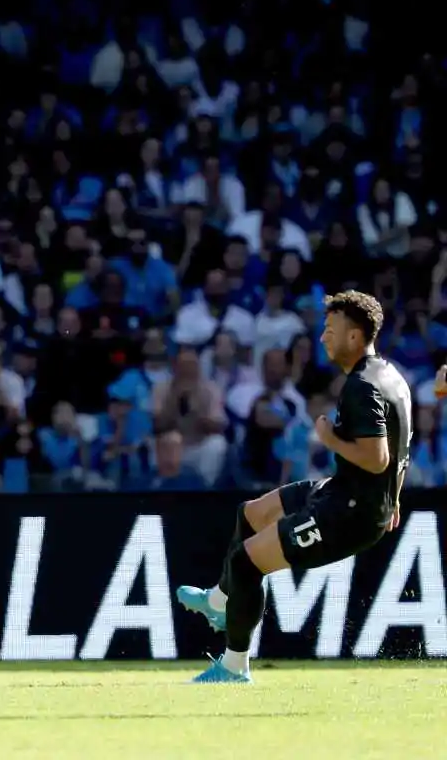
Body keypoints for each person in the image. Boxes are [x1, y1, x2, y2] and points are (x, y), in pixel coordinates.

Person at [175, 291, 414, 683]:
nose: (323, 337)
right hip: (347, 492)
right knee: (251, 514)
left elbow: (378, 458)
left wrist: (329, 438)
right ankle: (219, 601)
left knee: (245, 562)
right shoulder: (390, 375)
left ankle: (234, 667)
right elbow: (402, 444)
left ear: (354, 337)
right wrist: (395, 495)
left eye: (331, 329)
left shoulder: (361, 386)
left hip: (349, 512)